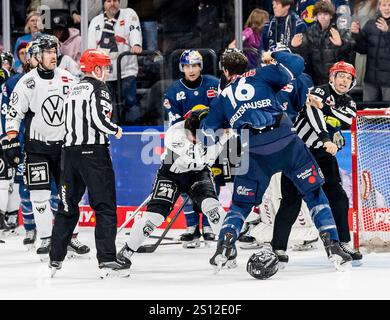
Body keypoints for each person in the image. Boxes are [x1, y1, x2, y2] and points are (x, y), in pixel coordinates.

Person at [202, 49, 352, 273]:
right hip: (286, 142)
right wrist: (274, 55)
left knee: (241, 205)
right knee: (313, 193)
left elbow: (207, 133)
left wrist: (218, 120)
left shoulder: (222, 98)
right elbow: (298, 63)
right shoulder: (262, 74)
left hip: (253, 149)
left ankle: (224, 246)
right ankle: (333, 247)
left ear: (224, 71)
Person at [3, 35, 90, 260]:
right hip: (37, 149)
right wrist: (11, 141)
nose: (53, 56)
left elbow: (81, 108)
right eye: (48, 52)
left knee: (71, 195)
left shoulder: (68, 78)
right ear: (37, 56)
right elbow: (14, 114)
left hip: (64, 149)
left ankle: (71, 237)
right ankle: (45, 239)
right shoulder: (27, 82)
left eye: (55, 51)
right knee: (39, 196)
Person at [116, 105, 230, 270]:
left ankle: (226, 249)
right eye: (193, 135)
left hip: (198, 173)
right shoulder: (175, 133)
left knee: (213, 208)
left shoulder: (218, 129)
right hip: (171, 174)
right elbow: (197, 155)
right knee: (154, 216)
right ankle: (126, 251)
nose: (196, 139)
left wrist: (227, 131)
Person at [272, 61, 363, 265]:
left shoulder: (350, 102)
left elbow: (346, 119)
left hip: (323, 154)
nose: (344, 80)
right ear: (332, 77)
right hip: (299, 152)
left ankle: (343, 243)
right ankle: (277, 247)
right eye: (341, 76)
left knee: (338, 197)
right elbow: (314, 115)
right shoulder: (318, 91)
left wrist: (326, 111)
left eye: (348, 78)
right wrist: (325, 137)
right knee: (290, 202)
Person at [49, 49, 126, 278]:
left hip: (69, 154)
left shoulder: (72, 87)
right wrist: (116, 130)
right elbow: (99, 119)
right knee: (104, 206)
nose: (107, 72)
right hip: (94, 154)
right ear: (97, 68)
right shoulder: (99, 88)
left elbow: (63, 120)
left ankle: (55, 257)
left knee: (67, 207)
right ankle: (107, 259)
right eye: (105, 67)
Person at [164, 50, 219, 248]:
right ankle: (191, 226)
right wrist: (189, 141)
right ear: (182, 68)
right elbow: (175, 123)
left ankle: (210, 226)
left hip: (211, 140)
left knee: (212, 182)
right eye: (187, 66)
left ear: (200, 66)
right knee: (185, 183)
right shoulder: (173, 91)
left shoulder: (213, 84)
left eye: (195, 65)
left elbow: (219, 112)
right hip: (184, 140)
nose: (192, 69)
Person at [88, 0, 143, 124]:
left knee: (130, 102)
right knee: (109, 106)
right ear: (103, 4)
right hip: (105, 73)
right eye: (108, 1)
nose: (112, 3)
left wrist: (136, 44)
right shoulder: (96, 21)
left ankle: (134, 133)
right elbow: (91, 48)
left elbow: (135, 30)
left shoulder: (129, 14)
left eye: (115, 0)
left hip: (126, 70)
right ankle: (113, 134)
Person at [291, 1, 355, 86]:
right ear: (316, 16)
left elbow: (352, 47)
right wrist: (294, 47)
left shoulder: (339, 30)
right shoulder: (310, 31)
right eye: (320, 14)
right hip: (316, 79)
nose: (322, 17)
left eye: (325, 14)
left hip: (337, 78)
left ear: (331, 16)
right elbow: (304, 54)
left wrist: (341, 44)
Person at [351, 0, 390, 102]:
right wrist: (357, 34)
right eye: (384, 5)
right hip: (370, 80)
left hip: (388, 82)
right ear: (379, 7)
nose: (387, 8)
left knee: (387, 113)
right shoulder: (370, 24)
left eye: (389, 5)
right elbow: (362, 49)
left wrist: (387, 32)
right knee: (367, 113)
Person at [352, 0, 378, 87]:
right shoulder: (359, 4)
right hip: (360, 41)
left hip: (374, 42)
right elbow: (354, 21)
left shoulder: (380, 3)